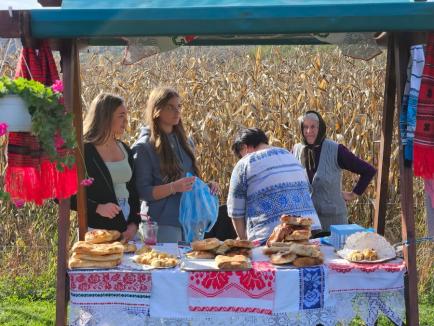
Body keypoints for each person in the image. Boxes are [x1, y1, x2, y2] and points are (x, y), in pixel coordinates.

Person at [132, 86, 218, 243]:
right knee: (166, 265)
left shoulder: (186, 142)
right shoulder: (144, 147)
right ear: (156, 110)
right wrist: (173, 187)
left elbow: (188, 180)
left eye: (179, 106)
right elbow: (142, 192)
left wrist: (206, 186)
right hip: (162, 223)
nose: (177, 111)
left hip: (191, 220)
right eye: (170, 107)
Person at [227, 127, 321, 244]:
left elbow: (235, 212)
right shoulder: (290, 156)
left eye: (241, 154)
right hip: (307, 230)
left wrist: (243, 240)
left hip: (271, 236)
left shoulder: (244, 164)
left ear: (244, 147)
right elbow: (307, 189)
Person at [71, 93, 140, 242]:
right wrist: (97, 207)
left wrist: (134, 223)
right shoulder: (83, 151)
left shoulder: (125, 149)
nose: (126, 121)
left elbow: (134, 191)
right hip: (97, 231)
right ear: (106, 116)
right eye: (121, 116)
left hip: (128, 229)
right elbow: (63, 195)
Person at [293, 111, 377, 233]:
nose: (308, 131)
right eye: (305, 127)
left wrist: (353, 194)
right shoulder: (296, 150)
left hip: (333, 225)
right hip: (306, 226)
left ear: (320, 128)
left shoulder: (335, 150)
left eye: (313, 127)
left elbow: (368, 170)